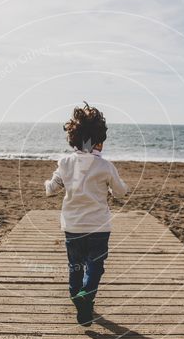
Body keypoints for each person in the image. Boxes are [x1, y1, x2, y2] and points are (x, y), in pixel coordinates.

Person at [45, 103, 129, 326]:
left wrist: (51, 182)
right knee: (95, 266)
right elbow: (121, 192)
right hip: (99, 227)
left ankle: (79, 299)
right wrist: (113, 188)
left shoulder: (64, 163)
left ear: (73, 138)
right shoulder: (105, 166)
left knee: (75, 266)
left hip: (72, 227)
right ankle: (86, 297)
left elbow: (50, 189)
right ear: (100, 140)